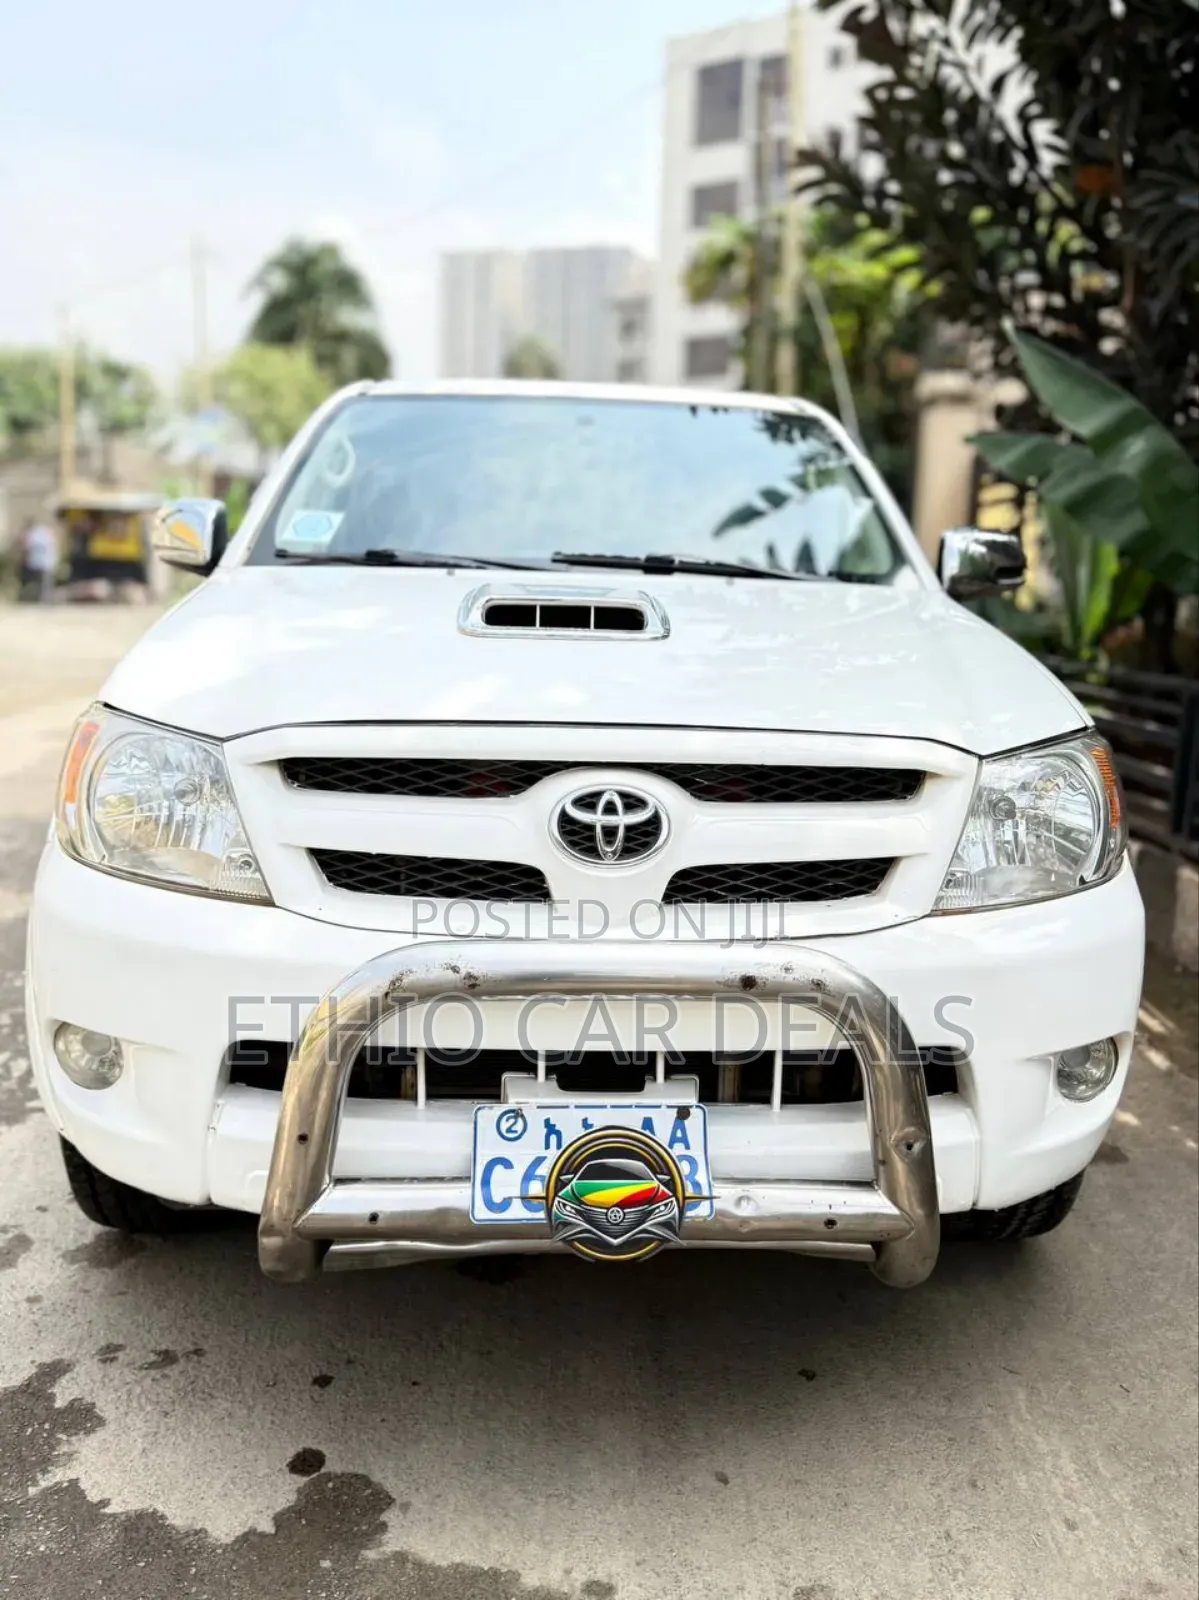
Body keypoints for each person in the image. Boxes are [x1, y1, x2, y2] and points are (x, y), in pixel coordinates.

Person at [22, 519, 59, 603]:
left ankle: (42, 599)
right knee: (45, 583)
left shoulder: (34, 534)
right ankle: (43, 599)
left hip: (38, 562)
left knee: (42, 583)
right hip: (45, 563)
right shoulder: (46, 534)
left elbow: (27, 547)